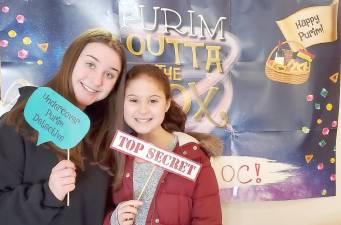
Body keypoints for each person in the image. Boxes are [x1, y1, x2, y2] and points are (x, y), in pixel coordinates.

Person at [0, 28, 127, 225]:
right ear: (71, 61)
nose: (97, 80)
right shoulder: (18, 123)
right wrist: (49, 193)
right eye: (90, 64)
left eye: (110, 75)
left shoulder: (105, 137)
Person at [104, 64, 222, 225]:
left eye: (153, 100)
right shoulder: (116, 154)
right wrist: (113, 220)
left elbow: (209, 220)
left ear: (166, 104)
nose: (143, 110)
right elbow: (100, 211)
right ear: (122, 103)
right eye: (133, 100)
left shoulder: (196, 158)